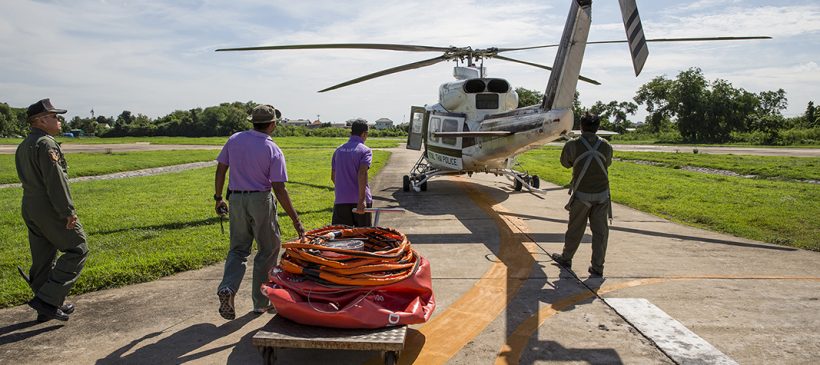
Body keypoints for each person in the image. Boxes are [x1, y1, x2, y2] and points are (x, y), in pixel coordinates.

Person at [213, 104, 305, 320]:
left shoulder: (234, 139)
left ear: (252, 122)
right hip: (260, 199)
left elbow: (221, 169)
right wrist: (295, 220)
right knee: (268, 249)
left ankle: (228, 287)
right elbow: (279, 188)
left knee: (238, 249)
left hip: (235, 198)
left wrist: (218, 198)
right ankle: (261, 303)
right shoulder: (272, 149)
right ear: (272, 124)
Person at [15, 98, 89, 322]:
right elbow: (55, 181)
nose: (59, 121)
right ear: (41, 120)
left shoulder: (25, 144)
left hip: (30, 205)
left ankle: (46, 304)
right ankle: (48, 300)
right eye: (55, 117)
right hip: (49, 206)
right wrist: (67, 211)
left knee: (43, 257)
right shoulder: (46, 144)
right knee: (78, 248)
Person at [551, 113, 613, 277]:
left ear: (581, 126)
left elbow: (565, 163)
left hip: (582, 195)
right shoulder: (606, 145)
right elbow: (608, 162)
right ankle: (598, 267)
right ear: (597, 127)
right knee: (600, 233)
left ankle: (567, 257)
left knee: (575, 230)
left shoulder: (572, 145)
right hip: (602, 195)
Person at [330, 119, 372, 227]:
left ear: (351, 133)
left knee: (341, 239)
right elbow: (362, 173)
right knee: (364, 237)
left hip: (340, 201)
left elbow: (333, 176)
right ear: (364, 134)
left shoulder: (338, 150)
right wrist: (361, 200)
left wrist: (344, 189)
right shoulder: (365, 151)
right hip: (359, 201)